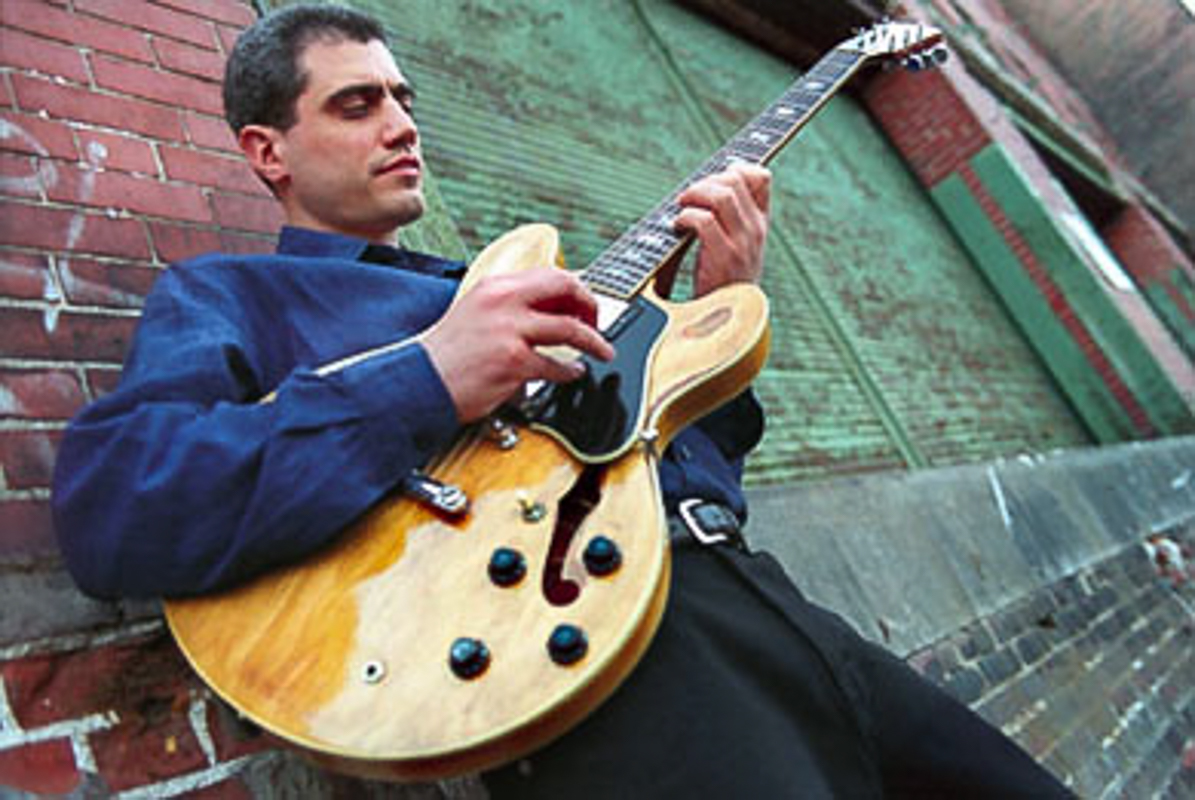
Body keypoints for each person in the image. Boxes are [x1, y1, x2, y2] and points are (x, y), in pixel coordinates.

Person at [52, 4, 1071, 798]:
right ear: (267, 150)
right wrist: (430, 374)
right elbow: (114, 509)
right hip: (598, 676)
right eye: (356, 104)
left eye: (403, 97)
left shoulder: (501, 277)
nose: (402, 122)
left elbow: (661, 470)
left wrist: (718, 316)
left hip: (770, 610)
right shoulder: (232, 295)